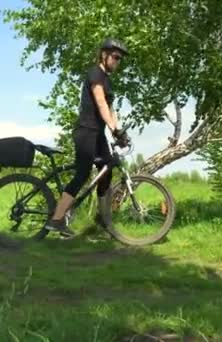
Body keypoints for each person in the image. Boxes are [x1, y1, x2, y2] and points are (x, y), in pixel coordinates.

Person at [45, 38, 130, 238]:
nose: (118, 61)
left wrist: (118, 131)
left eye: (120, 59)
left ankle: (102, 218)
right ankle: (56, 219)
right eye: (116, 57)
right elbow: (100, 103)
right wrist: (113, 128)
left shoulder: (107, 80)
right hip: (86, 131)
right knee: (82, 174)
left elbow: (110, 108)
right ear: (104, 55)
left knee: (107, 169)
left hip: (97, 133)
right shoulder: (95, 74)